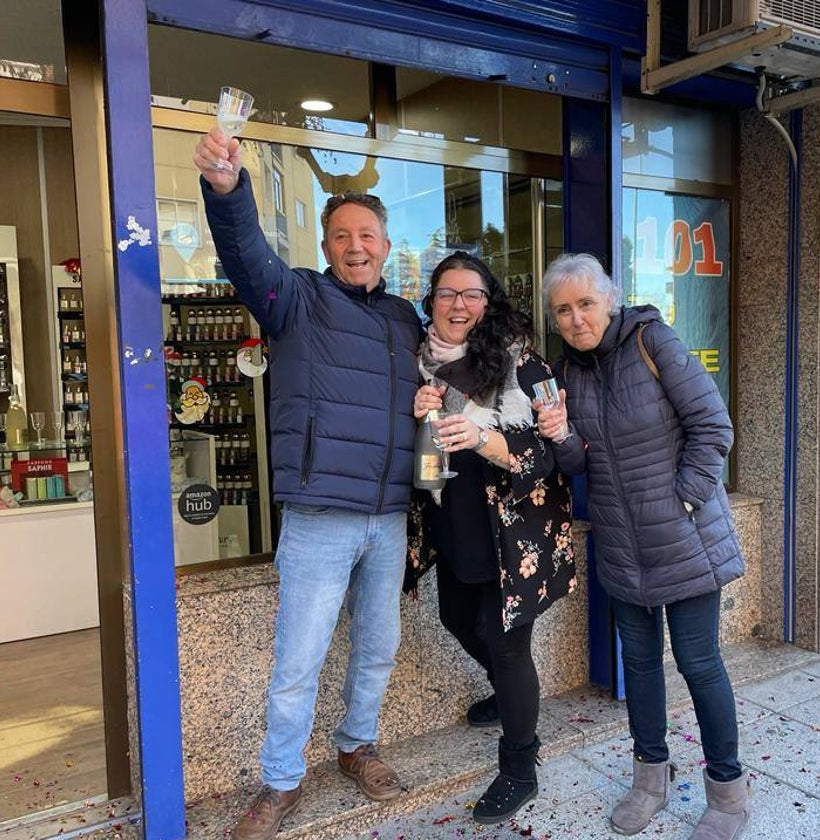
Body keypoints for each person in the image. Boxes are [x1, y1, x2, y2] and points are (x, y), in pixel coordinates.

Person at [194, 129, 422, 840]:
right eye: (342, 236)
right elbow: (244, 253)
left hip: (388, 516)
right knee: (300, 660)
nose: (357, 246)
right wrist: (228, 190)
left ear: (386, 246)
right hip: (321, 513)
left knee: (378, 646)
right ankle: (280, 782)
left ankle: (357, 745)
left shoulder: (403, 318)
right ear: (326, 248)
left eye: (369, 235)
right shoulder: (294, 299)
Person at [535, 253, 751, 840]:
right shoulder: (566, 373)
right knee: (638, 665)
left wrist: (682, 499)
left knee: (699, 662)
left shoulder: (652, 340)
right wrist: (559, 437)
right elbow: (580, 463)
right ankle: (650, 778)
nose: (577, 318)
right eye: (563, 310)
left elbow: (714, 427)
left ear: (610, 298)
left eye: (585, 303)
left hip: (682, 537)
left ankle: (728, 793)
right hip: (621, 544)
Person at [406, 251, 575, 824]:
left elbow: (549, 454)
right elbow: (419, 452)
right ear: (432, 300)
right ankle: (509, 694)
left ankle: (520, 767)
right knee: (457, 617)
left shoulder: (524, 363)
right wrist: (417, 413)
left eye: (471, 294)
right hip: (453, 519)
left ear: (489, 300)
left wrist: (483, 439)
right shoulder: (422, 362)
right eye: (448, 293)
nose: (459, 305)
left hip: (512, 530)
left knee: (508, 647)